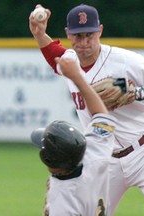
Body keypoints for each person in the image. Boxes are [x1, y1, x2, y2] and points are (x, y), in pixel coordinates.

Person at [29, 4, 144, 216]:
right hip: (105, 159)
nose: (84, 42)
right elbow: (53, 54)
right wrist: (39, 34)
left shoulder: (124, 61)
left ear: (100, 31)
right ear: (68, 34)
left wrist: (139, 93)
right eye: (78, 36)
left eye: (89, 35)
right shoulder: (69, 62)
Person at [30, 57, 117, 215]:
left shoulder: (61, 201)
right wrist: (77, 77)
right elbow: (101, 115)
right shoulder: (95, 154)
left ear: (47, 159)